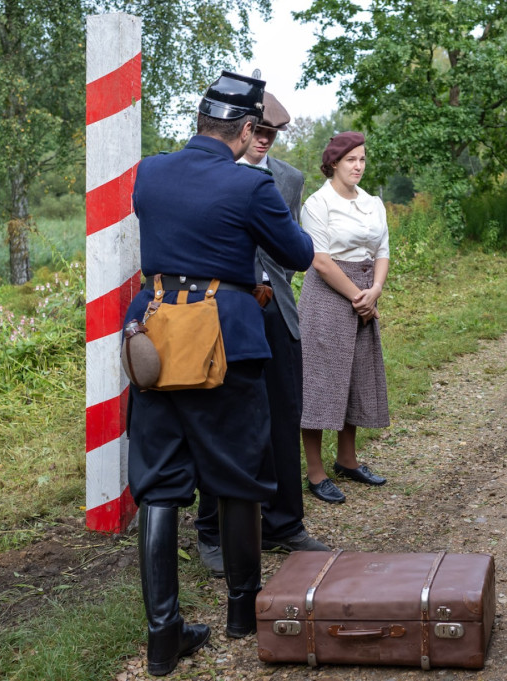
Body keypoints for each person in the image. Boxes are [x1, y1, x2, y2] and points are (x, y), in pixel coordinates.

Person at [123, 70, 314, 673]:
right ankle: (241, 609)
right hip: (225, 341)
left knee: (157, 488)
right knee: (235, 478)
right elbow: (298, 254)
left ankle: (163, 634)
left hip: (155, 337)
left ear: (200, 122)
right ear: (247, 131)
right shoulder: (249, 186)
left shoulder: (149, 173)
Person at [195, 91, 329, 578]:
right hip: (222, 311)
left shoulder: (288, 178)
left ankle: (284, 523)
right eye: (259, 131)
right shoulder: (210, 171)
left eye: (273, 135)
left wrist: (272, 290)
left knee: (282, 415)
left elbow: (291, 248)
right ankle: (211, 529)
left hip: (275, 308)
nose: (263, 141)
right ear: (244, 128)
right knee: (222, 419)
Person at [298, 131, 391, 504]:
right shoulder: (317, 204)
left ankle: (347, 459)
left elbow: (382, 250)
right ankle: (316, 471)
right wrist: (358, 297)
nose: (358, 166)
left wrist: (376, 291)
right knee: (321, 383)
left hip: (365, 294)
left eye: (363, 159)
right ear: (334, 162)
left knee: (354, 377)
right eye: (351, 159)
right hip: (328, 297)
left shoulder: (372, 203)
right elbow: (319, 260)